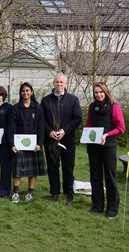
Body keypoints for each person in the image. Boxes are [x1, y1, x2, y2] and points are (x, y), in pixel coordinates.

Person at [41, 73, 82, 206]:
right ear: (53, 83)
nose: (59, 84)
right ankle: (54, 193)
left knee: (68, 168)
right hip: (51, 139)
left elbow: (77, 118)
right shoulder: (46, 100)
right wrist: (50, 131)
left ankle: (69, 195)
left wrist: (64, 130)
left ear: (65, 84)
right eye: (57, 82)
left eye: (61, 82)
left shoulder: (73, 100)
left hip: (67, 140)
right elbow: (42, 120)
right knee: (53, 167)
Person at [85, 82, 125, 219]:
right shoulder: (92, 107)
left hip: (108, 147)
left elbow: (121, 128)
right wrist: (85, 136)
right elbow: (89, 124)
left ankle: (112, 208)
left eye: (100, 92)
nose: (98, 94)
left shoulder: (114, 106)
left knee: (110, 176)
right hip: (93, 147)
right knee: (95, 176)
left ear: (105, 92)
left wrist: (107, 135)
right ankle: (97, 205)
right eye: (96, 92)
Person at [8, 82, 47, 203]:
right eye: (23, 91)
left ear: (32, 92)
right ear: (20, 93)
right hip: (19, 145)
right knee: (18, 170)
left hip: (34, 145)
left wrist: (39, 144)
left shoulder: (38, 108)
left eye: (27, 90)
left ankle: (30, 193)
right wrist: (12, 144)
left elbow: (42, 128)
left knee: (33, 170)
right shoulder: (15, 109)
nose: (25, 93)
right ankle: (16, 193)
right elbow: (11, 128)